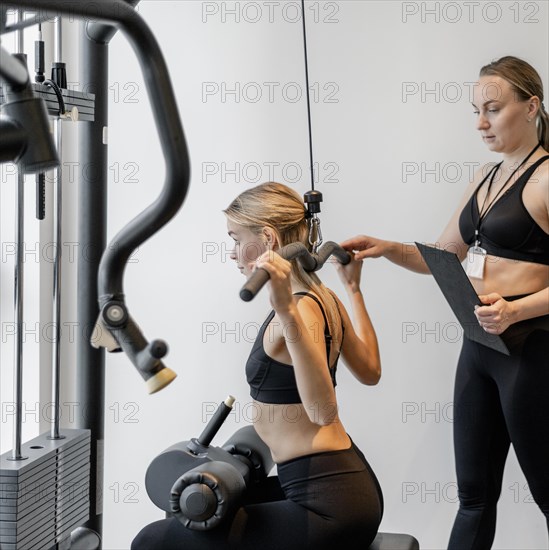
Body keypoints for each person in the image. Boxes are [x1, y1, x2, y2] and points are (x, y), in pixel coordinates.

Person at [341, 56, 549, 549]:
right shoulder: (486, 176)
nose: (481, 123)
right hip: (479, 347)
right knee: (473, 496)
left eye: (493, 109)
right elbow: (444, 256)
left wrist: (516, 309)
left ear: (532, 107)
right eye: (476, 111)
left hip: (529, 349)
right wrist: (388, 249)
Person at [132, 182, 383, 549]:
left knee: (152, 541)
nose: (233, 253)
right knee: (197, 518)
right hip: (340, 486)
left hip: (328, 505)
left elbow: (322, 410)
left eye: (236, 238)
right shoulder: (324, 296)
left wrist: (285, 311)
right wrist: (354, 291)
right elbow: (371, 372)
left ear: (267, 238)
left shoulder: (298, 310)